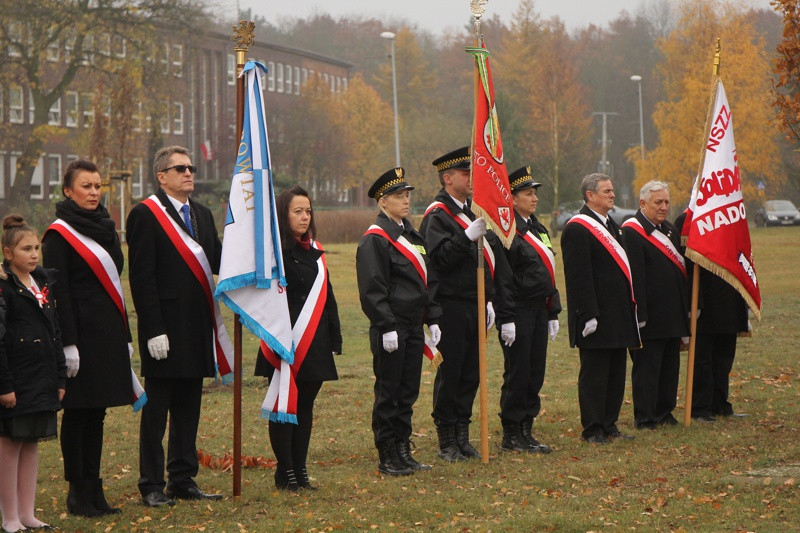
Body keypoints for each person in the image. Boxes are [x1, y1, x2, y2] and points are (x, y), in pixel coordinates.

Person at [41, 159, 141, 517]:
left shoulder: (106, 227)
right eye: (86, 186)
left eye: (98, 186)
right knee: (78, 413)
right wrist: (67, 343)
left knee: (97, 413)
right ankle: (77, 491)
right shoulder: (58, 234)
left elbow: (116, 283)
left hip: (106, 334)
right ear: (68, 190)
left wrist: (124, 334)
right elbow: (58, 293)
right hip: (79, 338)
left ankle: (95, 489)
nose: (94, 192)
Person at [127, 146, 224, 506]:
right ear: (161, 176)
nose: (189, 173)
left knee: (188, 407)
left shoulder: (202, 213)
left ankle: (182, 479)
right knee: (157, 411)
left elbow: (215, 258)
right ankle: (151, 484)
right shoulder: (145, 215)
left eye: (191, 167)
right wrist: (153, 329)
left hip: (196, 327)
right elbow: (142, 276)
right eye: (180, 168)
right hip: (164, 329)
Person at [420, 146, 515, 461]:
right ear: (448, 178)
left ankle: (463, 434)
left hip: (475, 303)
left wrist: (487, 298)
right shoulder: (438, 215)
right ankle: (447, 439)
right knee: (452, 373)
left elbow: (485, 262)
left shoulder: (474, 210)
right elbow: (441, 261)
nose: (472, 178)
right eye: (465, 173)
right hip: (450, 306)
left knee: (472, 373)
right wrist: (465, 237)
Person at [255, 185, 342, 490]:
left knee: (305, 407)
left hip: (314, 342)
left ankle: (300, 470)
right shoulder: (273, 253)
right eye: (297, 211)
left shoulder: (316, 252)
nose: (305, 217)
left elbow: (327, 298)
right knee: (284, 407)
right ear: (284, 214)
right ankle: (285, 471)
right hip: (284, 342)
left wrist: (335, 338)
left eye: (308, 211)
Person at [356, 168, 442, 476]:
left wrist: (432, 317)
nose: (405, 201)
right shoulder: (375, 240)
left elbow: (426, 280)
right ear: (382, 202)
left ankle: (404, 449)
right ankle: (387, 453)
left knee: (408, 391)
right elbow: (372, 289)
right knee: (389, 392)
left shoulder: (412, 234)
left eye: (407, 196)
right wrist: (386, 325)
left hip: (413, 326)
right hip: (390, 328)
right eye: (397, 197)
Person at [561, 173, 640, 444]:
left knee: (616, 373)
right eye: (606, 191)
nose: (612, 194)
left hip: (617, 314)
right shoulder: (577, 228)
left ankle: (610, 423)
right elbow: (578, 276)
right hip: (594, 316)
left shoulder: (614, 226)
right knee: (595, 374)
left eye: (612, 190)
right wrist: (588, 314)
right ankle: (593, 428)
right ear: (589, 195)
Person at [0, 215, 66, 532]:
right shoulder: (4, 288)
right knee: (10, 446)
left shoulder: (42, 283)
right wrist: (5, 385)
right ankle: (10, 517)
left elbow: (54, 332)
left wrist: (60, 377)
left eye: (36, 247)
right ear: (8, 253)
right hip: (15, 379)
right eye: (26, 249)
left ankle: (27, 513)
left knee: (31, 444)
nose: (34, 254)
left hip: (42, 378)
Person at [498, 166, 561, 453]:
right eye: (527, 194)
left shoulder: (538, 227)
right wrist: (507, 317)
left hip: (538, 309)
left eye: (535, 193)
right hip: (519, 310)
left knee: (536, 371)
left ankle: (527, 429)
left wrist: (553, 311)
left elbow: (549, 271)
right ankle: (511, 433)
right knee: (518, 372)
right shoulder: (507, 231)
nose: (534, 199)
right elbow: (504, 278)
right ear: (511, 198)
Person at [621, 181, 689, 430]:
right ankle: (646, 416)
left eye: (666, 202)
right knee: (647, 369)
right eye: (657, 202)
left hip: (673, 314)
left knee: (670, 368)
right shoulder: (632, 231)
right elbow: (635, 275)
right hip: (649, 316)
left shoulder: (669, 229)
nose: (663, 207)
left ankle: (664, 411)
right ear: (642, 203)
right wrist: (640, 313)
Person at [674, 213, 749, 422]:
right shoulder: (688, 219)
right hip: (704, 302)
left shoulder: (731, 217)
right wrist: (693, 302)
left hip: (730, 301)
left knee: (724, 356)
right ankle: (700, 407)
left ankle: (720, 404)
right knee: (703, 359)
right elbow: (686, 263)